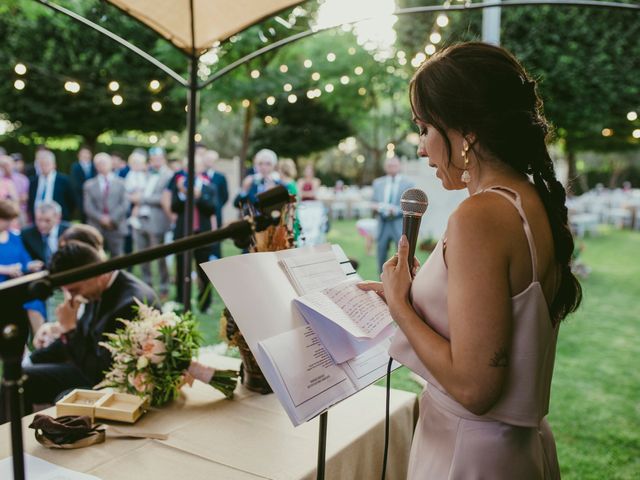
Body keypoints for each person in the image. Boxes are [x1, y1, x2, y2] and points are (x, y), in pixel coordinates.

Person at [359, 42, 582, 479]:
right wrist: (415, 296)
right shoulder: (526, 199)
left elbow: (475, 387)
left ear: (467, 131)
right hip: (510, 448)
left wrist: (401, 307)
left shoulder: (480, 216)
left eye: (424, 129)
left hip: (470, 454)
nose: (421, 149)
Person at [0, 241, 158, 420]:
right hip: (86, 366)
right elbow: (82, 337)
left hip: (110, 382)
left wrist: (69, 330)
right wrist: (31, 360)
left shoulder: (129, 304)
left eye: (74, 290)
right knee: (17, 379)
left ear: (95, 273)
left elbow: (100, 375)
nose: (73, 296)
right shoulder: (97, 289)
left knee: (42, 387)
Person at [170, 155, 218, 311]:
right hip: (183, 233)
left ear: (201, 168)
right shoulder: (179, 186)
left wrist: (198, 197)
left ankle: (205, 303)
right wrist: (183, 194)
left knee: (204, 269)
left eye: (195, 166)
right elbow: (174, 207)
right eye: (189, 166)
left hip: (202, 233)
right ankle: (182, 301)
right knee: (181, 267)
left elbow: (212, 208)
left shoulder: (208, 187)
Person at [0, 199, 46, 333]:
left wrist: (31, 265)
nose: (9, 224)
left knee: (34, 303)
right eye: (6, 220)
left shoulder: (14, 237)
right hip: (2, 286)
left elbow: (24, 261)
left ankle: (41, 343)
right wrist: (6, 269)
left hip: (18, 284)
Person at [134, 147, 173, 299]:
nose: (155, 162)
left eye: (158, 158)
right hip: (141, 219)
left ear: (163, 159)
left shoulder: (168, 175)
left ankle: (164, 286)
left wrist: (141, 199)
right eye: (153, 159)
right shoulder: (145, 173)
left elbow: (162, 198)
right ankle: (146, 285)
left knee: (160, 256)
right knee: (142, 254)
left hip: (157, 220)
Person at [371, 156, 414, 273]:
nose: (392, 168)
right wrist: (378, 207)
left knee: (402, 256)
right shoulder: (378, 183)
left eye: (394, 165)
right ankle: (381, 284)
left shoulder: (408, 183)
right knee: (381, 255)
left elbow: (410, 205)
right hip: (383, 223)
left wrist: (395, 210)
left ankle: (402, 281)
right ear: (385, 167)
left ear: (399, 166)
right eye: (389, 166)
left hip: (399, 223)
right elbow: (373, 202)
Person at [83, 152, 129, 257]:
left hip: (116, 226)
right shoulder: (89, 185)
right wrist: (101, 218)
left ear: (111, 164)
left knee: (117, 257)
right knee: (95, 256)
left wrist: (111, 219)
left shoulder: (122, 183)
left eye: (104, 163)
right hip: (96, 226)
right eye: (99, 163)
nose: (102, 166)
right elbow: (88, 206)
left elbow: (125, 204)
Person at [28, 149, 75, 222]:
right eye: (41, 164)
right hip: (37, 220)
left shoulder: (64, 180)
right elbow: (31, 200)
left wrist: (64, 215)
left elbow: (72, 201)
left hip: (58, 220)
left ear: (54, 165)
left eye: (47, 164)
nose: (44, 167)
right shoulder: (33, 181)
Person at [21, 200, 69, 266]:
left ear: (58, 218)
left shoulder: (68, 231)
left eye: (47, 220)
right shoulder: (27, 234)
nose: (42, 224)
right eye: (39, 220)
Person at [202, 149, 228, 260]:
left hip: (216, 213)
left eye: (211, 160)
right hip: (203, 214)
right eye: (207, 159)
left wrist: (216, 207)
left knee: (216, 242)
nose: (209, 162)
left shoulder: (220, 177)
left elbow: (225, 195)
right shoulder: (200, 176)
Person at [69, 146, 96, 221]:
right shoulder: (75, 167)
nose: (85, 156)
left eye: (87, 153)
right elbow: (75, 183)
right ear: (79, 155)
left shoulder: (95, 166)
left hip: (94, 196)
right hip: (81, 197)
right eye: (83, 154)